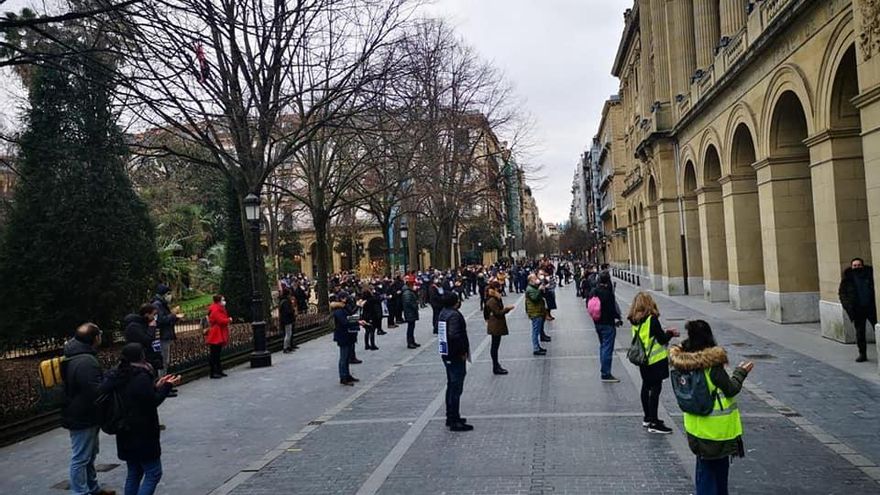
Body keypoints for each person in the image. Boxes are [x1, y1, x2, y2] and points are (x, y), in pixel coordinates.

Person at [669, 320, 754, 495]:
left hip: (695, 429)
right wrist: (741, 372)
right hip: (717, 430)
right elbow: (730, 389)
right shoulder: (712, 366)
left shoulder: (683, 365)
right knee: (717, 473)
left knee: (704, 471)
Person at [100, 343, 180, 495]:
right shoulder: (140, 376)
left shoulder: (119, 374)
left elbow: (137, 396)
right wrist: (167, 386)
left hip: (125, 431)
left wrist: (156, 386)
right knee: (154, 473)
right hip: (142, 431)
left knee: (134, 472)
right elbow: (152, 402)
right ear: (141, 356)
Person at [62, 323, 116, 495]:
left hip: (83, 414)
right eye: (99, 334)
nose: (101, 336)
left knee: (89, 455)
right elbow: (95, 390)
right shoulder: (85, 361)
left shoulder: (77, 355)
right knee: (81, 457)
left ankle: (93, 488)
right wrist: (110, 380)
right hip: (82, 417)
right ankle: (80, 492)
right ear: (94, 338)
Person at [628, 291, 678, 434]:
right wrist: (671, 333)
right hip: (655, 360)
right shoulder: (651, 319)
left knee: (645, 387)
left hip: (643, 360)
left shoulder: (634, 319)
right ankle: (654, 422)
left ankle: (647, 417)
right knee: (655, 390)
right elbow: (662, 339)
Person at [438, 292, 472, 431]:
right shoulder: (454, 315)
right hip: (454, 355)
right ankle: (454, 419)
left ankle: (451, 416)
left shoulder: (443, 313)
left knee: (451, 385)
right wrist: (462, 352)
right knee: (456, 387)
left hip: (446, 353)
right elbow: (454, 335)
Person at [839, 257, 877, 362]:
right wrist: (848, 306)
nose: (857, 267)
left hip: (871, 308)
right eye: (855, 265)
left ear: (863, 265)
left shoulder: (870, 276)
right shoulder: (848, 279)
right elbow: (842, 294)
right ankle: (862, 354)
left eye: (859, 265)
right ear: (851, 267)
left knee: (877, 329)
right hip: (857, 310)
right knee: (860, 333)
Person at [151, 284, 184, 394]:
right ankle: (162, 387)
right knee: (163, 362)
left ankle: (166, 385)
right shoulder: (157, 304)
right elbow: (160, 320)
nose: (170, 296)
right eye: (168, 294)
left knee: (165, 362)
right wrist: (173, 315)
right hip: (162, 337)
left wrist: (175, 317)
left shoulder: (162, 304)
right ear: (163, 294)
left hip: (165, 335)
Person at [590, 272, 622, 382]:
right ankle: (606, 373)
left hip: (597, 323)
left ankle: (604, 369)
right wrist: (618, 318)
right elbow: (612, 309)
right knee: (607, 348)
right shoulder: (607, 293)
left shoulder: (594, 291)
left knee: (603, 346)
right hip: (607, 324)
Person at [485, 281, 515, 375]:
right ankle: (495, 366)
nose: (500, 289)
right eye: (499, 288)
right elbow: (498, 312)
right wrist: (507, 309)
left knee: (495, 346)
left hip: (496, 324)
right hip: (495, 325)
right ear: (495, 289)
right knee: (494, 346)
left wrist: (499, 298)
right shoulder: (492, 300)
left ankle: (496, 365)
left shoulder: (495, 298)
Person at [124, 304, 164, 374]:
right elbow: (146, 340)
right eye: (153, 315)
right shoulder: (134, 327)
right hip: (144, 359)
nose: (155, 317)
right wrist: (151, 328)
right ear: (146, 315)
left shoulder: (147, 324)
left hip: (152, 358)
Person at [333, 295, 363, 385]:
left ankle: (347, 375)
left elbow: (351, 315)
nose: (347, 299)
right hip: (342, 336)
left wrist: (358, 320)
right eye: (344, 297)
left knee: (346, 357)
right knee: (343, 358)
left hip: (348, 335)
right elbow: (345, 322)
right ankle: (343, 377)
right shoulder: (338, 311)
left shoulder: (344, 308)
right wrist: (357, 322)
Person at [205, 295, 230, 378]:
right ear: (219, 301)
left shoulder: (217, 308)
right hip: (216, 333)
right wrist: (229, 320)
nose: (224, 301)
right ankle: (214, 372)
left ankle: (218, 371)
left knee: (217, 354)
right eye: (223, 300)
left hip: (217, 332)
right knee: (214, 354)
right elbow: (220, 320)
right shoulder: (216, 309)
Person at [526, 274, 548, 356]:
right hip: (535, 312)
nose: (536, 279)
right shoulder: (530, 289)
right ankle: (536, 348)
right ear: (531, 280)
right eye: (535, 278)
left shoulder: (533, 287)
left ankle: (538, 346)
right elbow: (534, 298)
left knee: (537, 330)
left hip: (538, 311)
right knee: (535, 331)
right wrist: (539, 290)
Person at [401, 280, 421, 349]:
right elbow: (408, 302)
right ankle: (410, 343)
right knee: (410, 328)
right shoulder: (407, 293)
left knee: (412, 327)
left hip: (411, 312)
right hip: (409, 312)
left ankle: (412, 341)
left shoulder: (409, 291)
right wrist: (415, 305)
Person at [279, 289, 298, 353]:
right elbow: (287, 311)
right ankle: (285, 347)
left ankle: (289, 346)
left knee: (288, 333)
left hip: (285, 319)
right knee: (288, 334)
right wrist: (292, 311)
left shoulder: (282, 301)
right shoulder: (286, 302)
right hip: (287, 320)